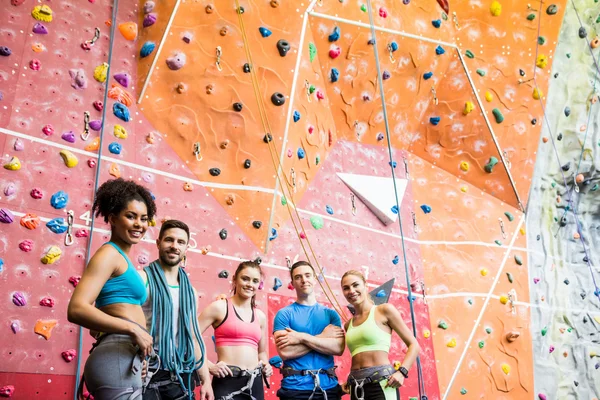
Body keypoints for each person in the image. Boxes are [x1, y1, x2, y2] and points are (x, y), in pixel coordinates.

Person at [67, 178, 157, 399]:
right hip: (116, 353)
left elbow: (106, 310)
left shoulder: (122, 259)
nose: (139, 224)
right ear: (113, 218)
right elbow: (76, 309)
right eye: (131, 216)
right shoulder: (109, 254)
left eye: (144, 219)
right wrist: (133, 329)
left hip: (123, 357)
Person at [140, 220, 214, 400]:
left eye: (181, 242)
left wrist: (206, 381)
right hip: (146, 374)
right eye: (169, 240)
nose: (174, 246)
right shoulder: (142, 279)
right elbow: (124, 325)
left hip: (178, 376)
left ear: (187, 248)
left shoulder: (190, 292)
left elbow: (193, 337)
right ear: (158, 243)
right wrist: (131, 359)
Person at [197, 261, 272, 400]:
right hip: (227, 382)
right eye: (245, 278)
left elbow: (261, 352)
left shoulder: (260, 316)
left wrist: (266, 365)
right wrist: (208, 365)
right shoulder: (219, 307)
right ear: (234, 279)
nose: (250, 284)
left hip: (254, 383)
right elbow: (190, 337)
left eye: (255, 281)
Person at [340, 270, 421, 400]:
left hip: (381, 384)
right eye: (346, 288)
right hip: (356, 387)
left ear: (365, 286)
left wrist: (402, 372)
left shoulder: (384, 310)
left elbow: (414, 345)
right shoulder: (348, 325)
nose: (351, 290)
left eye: (355, 285)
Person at [273, 261, 345, 400]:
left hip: (328, 388)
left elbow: (338, 348)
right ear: (292, 283)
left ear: (314, 279)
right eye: (298, 277)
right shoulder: (284, 314)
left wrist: (301, 338)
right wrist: (322, 337)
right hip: (295, 389)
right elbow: (285, 352)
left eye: (307, 275)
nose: (304, 280)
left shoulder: (331, 314)